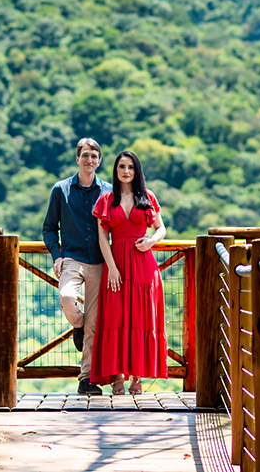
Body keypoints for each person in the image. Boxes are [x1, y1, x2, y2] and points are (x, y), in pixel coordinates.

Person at [90, 150, 168, 395]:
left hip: (144, 266)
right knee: (115, 319)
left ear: (137, 171)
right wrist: (111, 267)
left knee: (140, 319)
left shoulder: (147, 196)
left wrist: (151, 242)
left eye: (131, 167)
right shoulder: (106, 199)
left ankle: (136, 376)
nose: (126, 171)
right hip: (116, 266)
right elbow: (102, 237)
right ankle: (116, 376)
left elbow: (161, 228)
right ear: (116, 170)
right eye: (122, 166)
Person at [42, 137, 113, 395]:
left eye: (94, 156)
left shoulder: (108, 191)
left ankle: (86, 380)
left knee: (95, 323)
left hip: (100, 261)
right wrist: (57, 256)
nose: (89, 160)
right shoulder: (60, 190)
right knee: (67, 296)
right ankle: (78, 325)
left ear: (99, 161)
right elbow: (49, 228)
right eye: (85, 155)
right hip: (71, 258)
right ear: (77, 158)